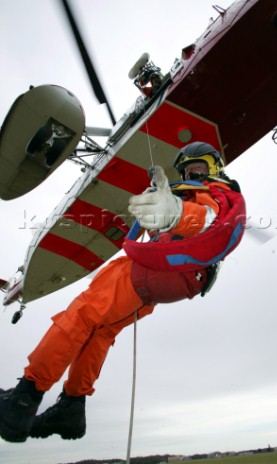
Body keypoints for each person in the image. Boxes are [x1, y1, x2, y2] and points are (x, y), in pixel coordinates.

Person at [0, 142, 246, 443]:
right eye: (187, 168)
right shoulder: (204, 197)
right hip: (172, 281)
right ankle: (72, 407)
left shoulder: (212, 195)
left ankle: (24, 399)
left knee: (80, 315)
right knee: (100, 330)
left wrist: (174, 211)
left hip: (154, 269)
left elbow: (204, 218)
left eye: (200, 165)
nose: (192, 171)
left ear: (216, 168)